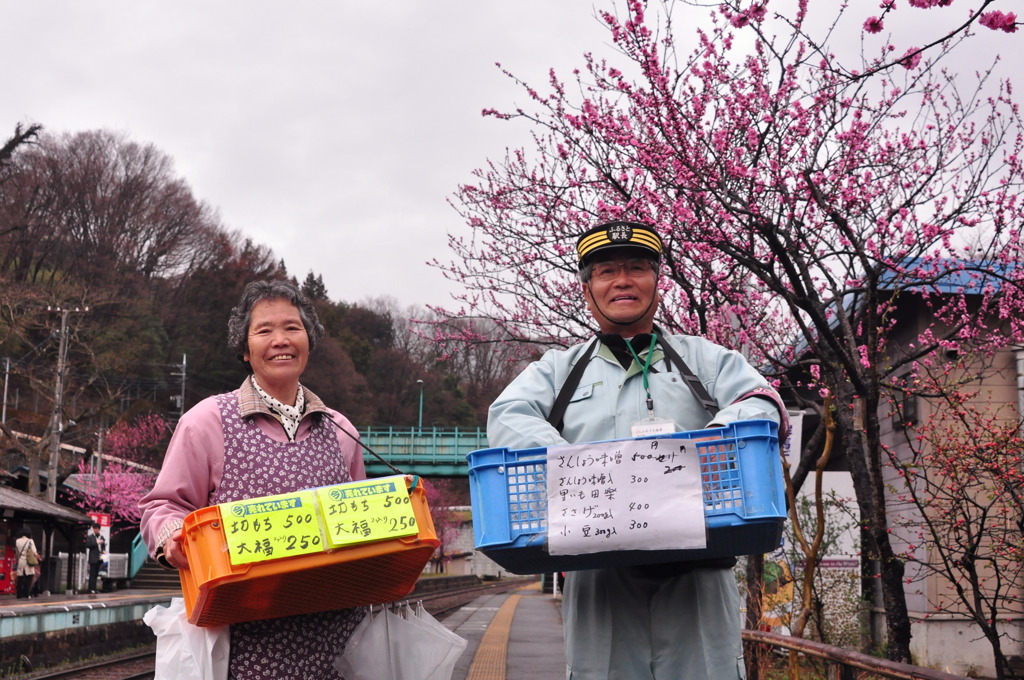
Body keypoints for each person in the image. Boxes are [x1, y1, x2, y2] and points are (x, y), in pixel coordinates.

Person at [487, 220, 789, 680]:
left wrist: (705, 447)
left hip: (700, 570)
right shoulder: (558, 369)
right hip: (596, 576)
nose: (622, 281)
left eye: (636, 268)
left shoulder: (705, 358)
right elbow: (506, 416)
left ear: (657, 283)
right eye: (606, 271)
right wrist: (575, 467)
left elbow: (764, 404)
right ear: (587, 290)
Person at [139, 279, 367, 679]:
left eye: (292, 328)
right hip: (243, 648)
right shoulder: (207, 421)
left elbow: (360, 528)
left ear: (309, 341)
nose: (281, 339)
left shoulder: (342, 430)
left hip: (336, 645)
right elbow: (164, 506)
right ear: (245, 350)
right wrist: (173, 535)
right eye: (264, 330)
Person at [14, 528, 38, 599]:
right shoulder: (30, 541)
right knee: (29, 578)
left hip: (21, 561)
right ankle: (26, 594)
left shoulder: (17, 541)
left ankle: (19, 595)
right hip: (28, 561)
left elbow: (17, 553)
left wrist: (18, 558)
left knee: (20, 578)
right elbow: (34, 551)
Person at [85, 522, 106, 593]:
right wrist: (96, 543)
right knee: (92, 573)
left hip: (99, 558)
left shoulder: (101, 537)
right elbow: (88, 545)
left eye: (96, 529)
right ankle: (91, 588)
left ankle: (94, 588)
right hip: (93, 558)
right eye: (94, 529)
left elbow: (103, 547)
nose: (95, 530)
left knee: (96, 574)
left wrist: (104, 553)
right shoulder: (90, 537)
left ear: (99, 529)